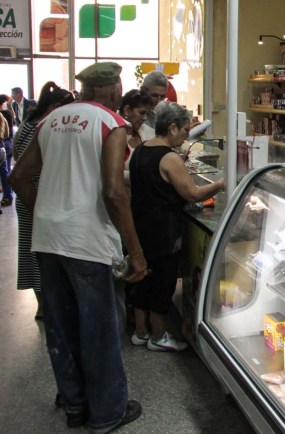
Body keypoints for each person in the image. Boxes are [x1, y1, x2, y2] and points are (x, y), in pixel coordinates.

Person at [9, 62, 147, 433]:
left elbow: (18, 176)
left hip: (48, 239)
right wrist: (135, 251)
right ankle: (107, 413)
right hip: (87, 243)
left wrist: (49, 212)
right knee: (100, 328)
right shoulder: (111, 123)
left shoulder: (49, 121)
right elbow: (115, 192)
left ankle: (74, 405)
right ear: (113, 89)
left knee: (61, 325)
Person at [129, 101, 224, 351]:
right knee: (162, 281)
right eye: (184, 131)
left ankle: (140, 332)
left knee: (142, 281)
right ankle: (158, 336)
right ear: (172, 128)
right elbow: (192, 194)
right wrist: (221, 184)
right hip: (164, 231)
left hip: (141, 227)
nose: (185, 137)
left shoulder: (141, 149)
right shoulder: (169, 158)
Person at [12, 81, 75, 320]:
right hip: (35, 196)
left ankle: (44, 304)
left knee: (32, 251)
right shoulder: (42, 126)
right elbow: (26, 168)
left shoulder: (28, 124)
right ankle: (44, 305)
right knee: (41, 252)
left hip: (31, 195)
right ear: (57, 106)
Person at [118, 89, 154, 185]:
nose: (145, 118)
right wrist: (141, 177)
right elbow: (110, 173)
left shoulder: (149, 132)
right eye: (141, 113)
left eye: (147, 114)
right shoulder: (113, 134)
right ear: (127, 110)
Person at [138, 71, 168, 141]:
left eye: (162, 97)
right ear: (143, 90)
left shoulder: (159, 113)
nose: (158, 100)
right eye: (154, 95)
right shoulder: (134, 113)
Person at [0, 94, 15, 206]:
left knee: (4, 172)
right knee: (6, 172)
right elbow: (6, 133)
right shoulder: (7, 114)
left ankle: (8, 194)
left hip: (3, 145)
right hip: (6, 143)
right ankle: (8, 195)